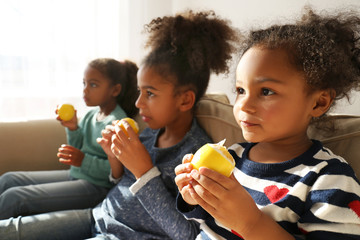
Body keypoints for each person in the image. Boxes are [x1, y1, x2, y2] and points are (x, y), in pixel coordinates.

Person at [0, 10, 240, 240]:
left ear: (185, 99)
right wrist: (115, 159)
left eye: (150, 94)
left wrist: (144, 172)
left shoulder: (197, 158)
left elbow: (186, 234)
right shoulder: (150, 135)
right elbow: (120, 183)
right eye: (139, 91)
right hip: (98, 216)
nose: (138, 103)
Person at [175, 7, 360, 240]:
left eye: (266, 91)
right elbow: (204, 222)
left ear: (319, 102)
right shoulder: (232, 157)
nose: (244, 104)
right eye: (241, 90)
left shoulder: (329, 179)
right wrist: (194, 196)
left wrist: (250, 224)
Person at [0, 58, 139, 219]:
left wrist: (83, 161)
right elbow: (78, 149)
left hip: (97, 187)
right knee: (9, 179)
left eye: (93, 85)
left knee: (15, 198)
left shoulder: (117, 123)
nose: (85, 91)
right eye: (84, 83)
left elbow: (116, 172)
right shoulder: (91, 115)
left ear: (115, 90)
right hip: (77, 174)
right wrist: (73, 128)